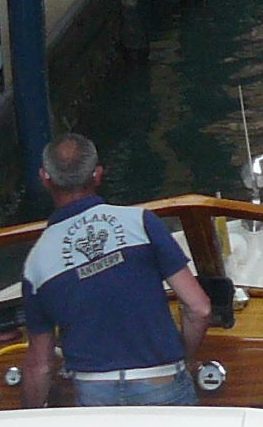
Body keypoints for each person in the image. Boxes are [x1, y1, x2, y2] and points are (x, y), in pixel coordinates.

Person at [16, 136, 214, 407]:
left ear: (44, 178)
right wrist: (186, 360)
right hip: (161, 380)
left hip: (94, 393)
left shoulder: (37, 262)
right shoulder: (140, 223)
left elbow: (40, 366)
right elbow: (199, 308)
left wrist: (27, 419)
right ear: (97, 174)